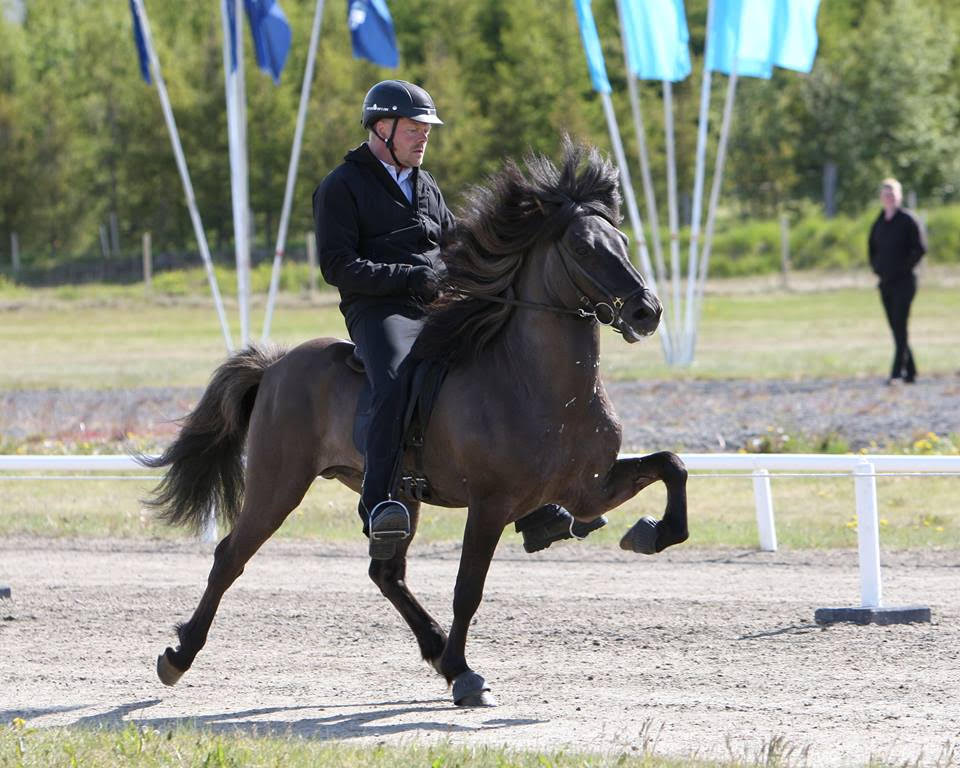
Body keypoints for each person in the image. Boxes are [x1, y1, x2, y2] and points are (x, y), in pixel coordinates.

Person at [313, 80, 605, 559]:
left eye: (426, 130)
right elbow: (337, 266)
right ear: (381, 128)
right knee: (394, 377)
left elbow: (452, 243)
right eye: (413, 129)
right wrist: (413, 277)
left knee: (495, 366)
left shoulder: (425, 184)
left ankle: (531, 509)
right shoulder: (341, 186)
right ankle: (380, 500)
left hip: (433, 301)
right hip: (378, 308)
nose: (423, 138)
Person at [868, 177, 926, 384]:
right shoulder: (879, 222)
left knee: (900, 324)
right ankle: (910, 371)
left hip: (904, 282)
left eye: (892, 193)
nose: (889, 197)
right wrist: (877, 269)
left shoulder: (908, 220)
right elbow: (872, 250)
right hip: (886, 282)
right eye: (885, 193)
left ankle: (896, 372)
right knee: (895, 327)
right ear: (881, 197)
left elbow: (920, 248)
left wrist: (903, 268)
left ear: (899, 195)